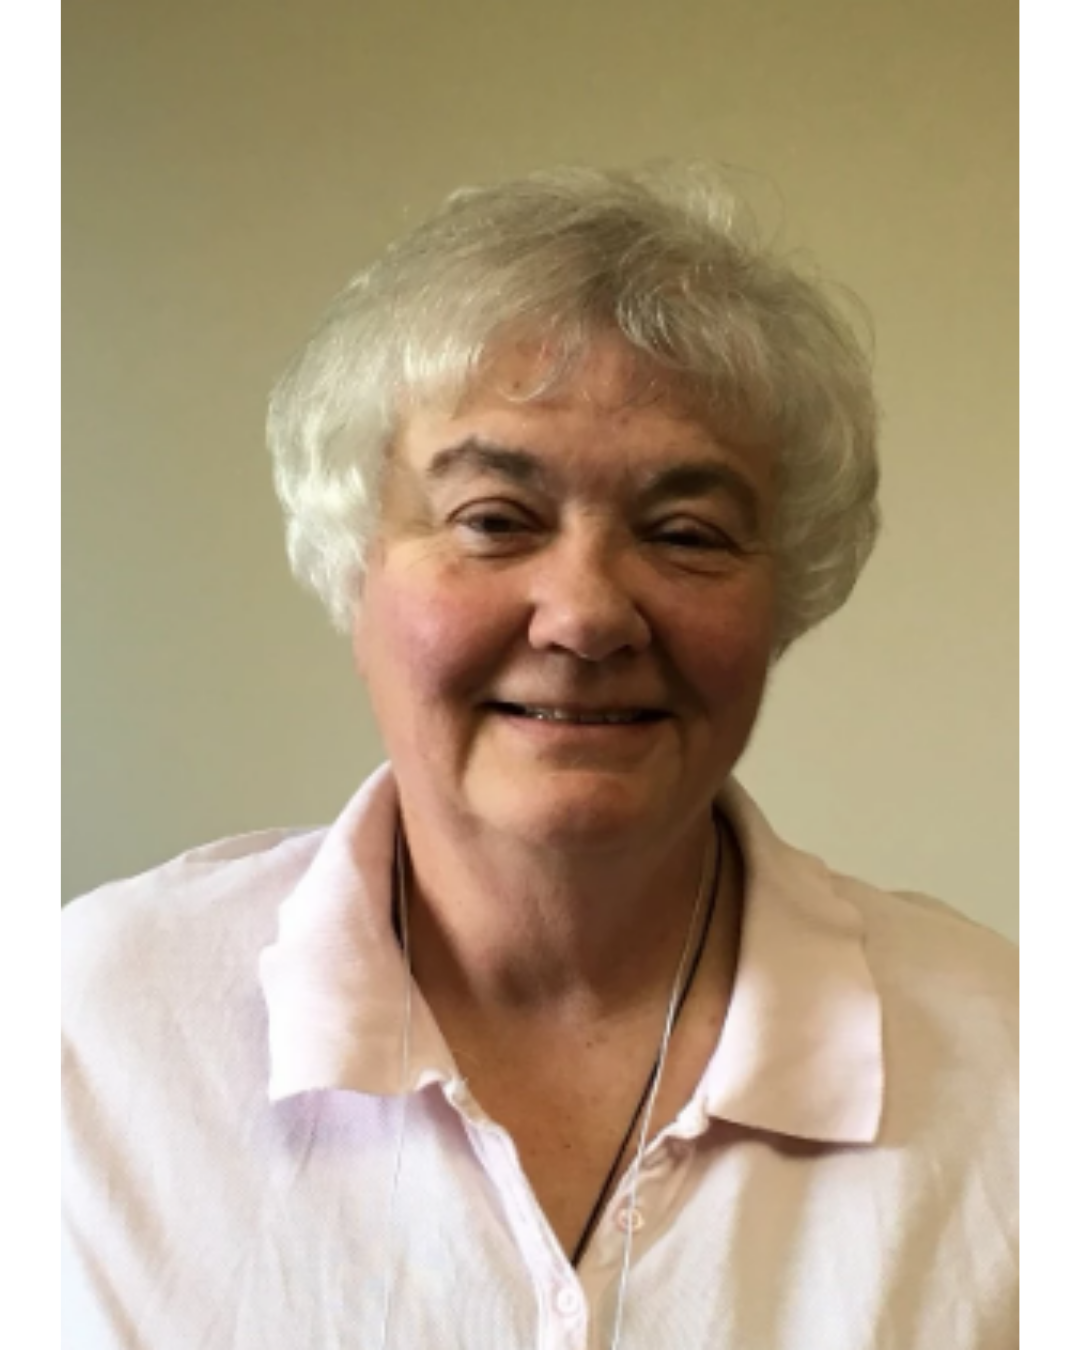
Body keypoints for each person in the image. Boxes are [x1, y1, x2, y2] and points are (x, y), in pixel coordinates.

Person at [60, 165, 1020, 1350]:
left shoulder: (996, 1066)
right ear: (354, 565)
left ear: (786, 596)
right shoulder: (97, 1035)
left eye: (687, 532)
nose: (586, 616)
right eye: (493, 520)